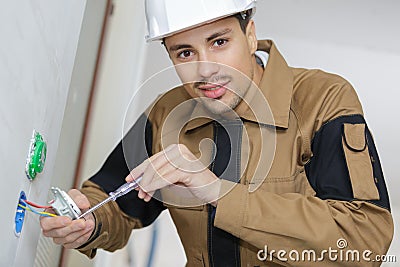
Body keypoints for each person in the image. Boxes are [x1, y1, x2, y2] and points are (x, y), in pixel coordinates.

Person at [40, 0, 394, 266]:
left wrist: (214, 191)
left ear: (250, 33)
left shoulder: (322, 99)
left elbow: (364, 241)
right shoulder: (166, 114)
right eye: (184, 52)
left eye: (219, 42)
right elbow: (112, 200)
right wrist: (89, 222)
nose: (205, 69)